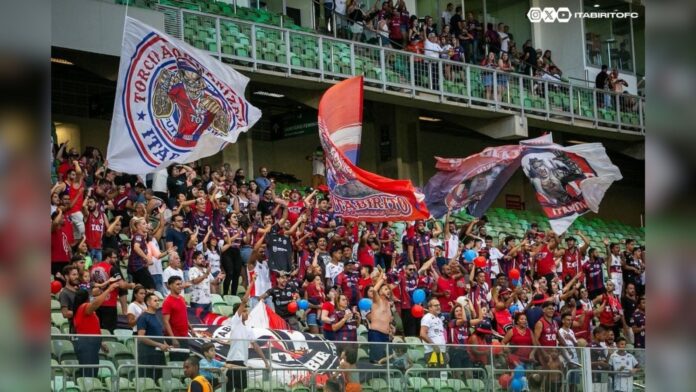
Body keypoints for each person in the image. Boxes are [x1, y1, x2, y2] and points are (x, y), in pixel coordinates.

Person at [224, 291, 270, 392]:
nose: (247, 312)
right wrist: (253, 281)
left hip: (242, 362)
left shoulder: (248, 329)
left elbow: (255, 346)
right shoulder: (235, 322)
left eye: (246, 310)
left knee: (240, 389)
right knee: (228, 389)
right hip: (233, 360)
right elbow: (244, 301)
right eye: (244, 311)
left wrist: (265, 361)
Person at [72, 282, 119, 377]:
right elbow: (95, 304)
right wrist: (109, 290)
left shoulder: (84, 309)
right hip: (86, 343)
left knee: (93, 371)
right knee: (89, 373)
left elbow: (90, 327)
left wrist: (100, 342)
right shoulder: (83, 307)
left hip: (92, 343)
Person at [136, 293, 169, 379]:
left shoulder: (157, 316)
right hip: (148, 355)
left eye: (158, 300)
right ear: (148, 303)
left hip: (158, 354)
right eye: (155, 301)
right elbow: (141, 337)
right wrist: (159, 345)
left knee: (159, 379)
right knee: (149, 379)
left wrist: (164, 343)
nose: (158, 302)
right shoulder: (143, 317)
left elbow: (159, 333)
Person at [162, 276, 191, 361]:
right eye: (177, 284)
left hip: (184, 336)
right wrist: (173, 338)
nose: (180, 286)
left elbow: (183, 314)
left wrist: (190, 326)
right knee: (177, 362)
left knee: (186, 361)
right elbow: (165, 321)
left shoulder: (181, 298)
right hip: (176, 337)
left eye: (181, 284)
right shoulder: (167, 301)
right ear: (170, 286)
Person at [367, 271, 393, 363]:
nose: (388, 291)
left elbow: (387, 321)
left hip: (386, 336)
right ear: (380, 292)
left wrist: (390, 330)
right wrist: (382, 279)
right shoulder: (377, 301)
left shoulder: (389, 305)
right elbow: (374, 290)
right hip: (376, 334)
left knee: (388, 361)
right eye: (385, 289)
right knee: (376, 362)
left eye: (388, 289)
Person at [449, 302, 483, 370]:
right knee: (457, 373)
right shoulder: (452, 322)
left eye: (461, 310)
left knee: (469, 374)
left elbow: (480, 319)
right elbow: (464, 319)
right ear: (454, 314)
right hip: (455, 351)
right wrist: (462, 306)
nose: (459, 312)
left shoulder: (466, 323)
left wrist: (479, 305)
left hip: (465, 351)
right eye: (457, 311)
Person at [420, 299, 447, 366]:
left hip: (441, 352)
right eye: (435, 305)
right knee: (434, 376)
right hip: (432, 352)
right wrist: (433, 345)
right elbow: (422, 334)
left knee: (442, 375)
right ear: (430, 308)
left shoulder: (439, 319)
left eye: (439, 305)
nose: (438, 307)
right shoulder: (427, 317)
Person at [189, 250, 214, 319]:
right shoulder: (192, 270)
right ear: (194, 260)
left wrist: (219, 278)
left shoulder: (206, 270)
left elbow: (213, 282)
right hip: (197, 302)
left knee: (209, 322)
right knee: (198, 323)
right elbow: (195, 281)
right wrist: (206, 274)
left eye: (203, 258)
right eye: (200, 258)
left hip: (208, 302)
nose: (203, 260)